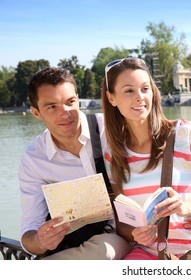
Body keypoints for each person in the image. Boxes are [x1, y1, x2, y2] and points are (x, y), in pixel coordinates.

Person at [102, 57, 191, 260]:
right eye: (129, 91)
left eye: (145, 88)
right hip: (148, 253)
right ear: (111, 98)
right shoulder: (113, 154)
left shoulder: (185, 133)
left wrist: (189, 206)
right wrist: (135, 234)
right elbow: (122, 223)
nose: (140, 97)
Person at [18, 67, 132, 259]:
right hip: (72, 247)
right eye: (52, 107)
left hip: (122, 237)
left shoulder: (112, 130)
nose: (65, 113)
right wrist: (40, 240)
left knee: (108, 247)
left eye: (70, 102)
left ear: (78, 99)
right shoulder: (33, 159)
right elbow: (30, 229)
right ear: (36, 113)